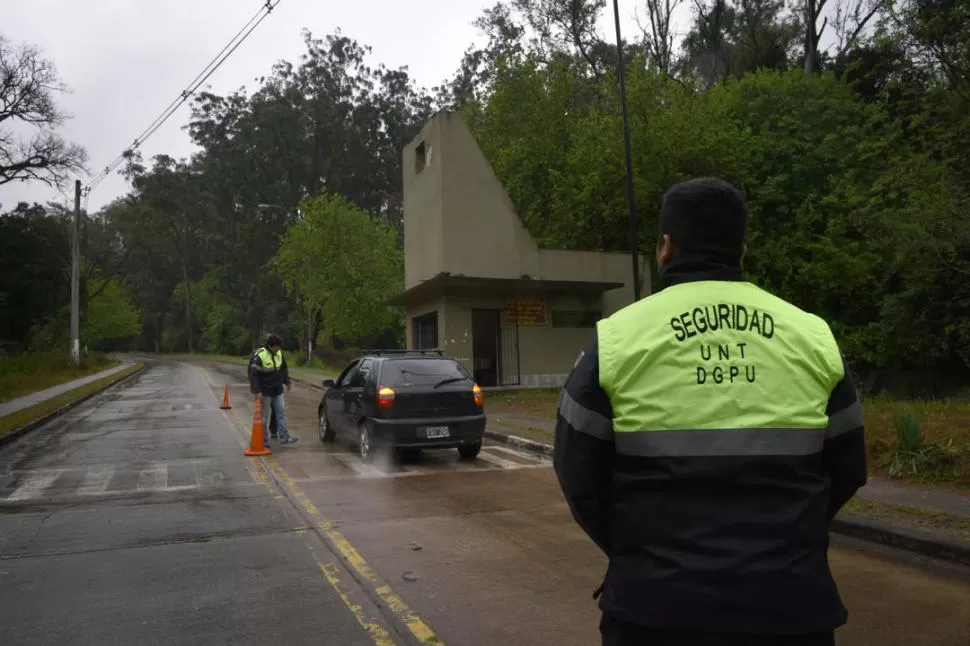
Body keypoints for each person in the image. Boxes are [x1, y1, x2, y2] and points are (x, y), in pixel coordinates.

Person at [553, 177, 867, 646]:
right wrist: (788, 541)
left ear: (665, 247)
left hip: (653, 612)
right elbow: (847, 469)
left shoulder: (616, 341)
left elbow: (578, 476)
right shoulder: (812, 336)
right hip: (791, 610)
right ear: (741, 252)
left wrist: (638, 555)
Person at [249, 333, 298, 446]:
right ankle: (264, 441)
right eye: (278, 347)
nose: (279, 349)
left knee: (281, 413)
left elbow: (283, 368)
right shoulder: (260, 356)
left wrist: (287, 381)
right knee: (264, 417)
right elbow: (254, 375)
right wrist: (257, 391)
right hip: (265, 391)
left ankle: (285, 437)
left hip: (277, 389)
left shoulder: (279, 353)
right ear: (272, 346)